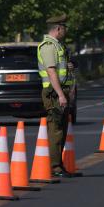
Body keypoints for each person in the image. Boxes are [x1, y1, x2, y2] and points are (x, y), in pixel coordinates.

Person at [37, 14, 75, 178]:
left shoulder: (58, 46)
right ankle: (55, 167)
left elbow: (59, 69)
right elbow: (51, 72)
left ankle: (59, 164)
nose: (65, 31)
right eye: (64, 28)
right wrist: (61, 94)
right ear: (58, 28)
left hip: (61, 91)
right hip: (53, 93)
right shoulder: (48, 46)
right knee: (56, 131)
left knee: (62, 130)